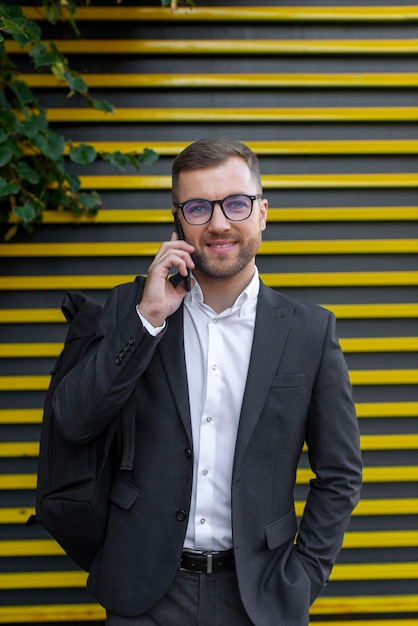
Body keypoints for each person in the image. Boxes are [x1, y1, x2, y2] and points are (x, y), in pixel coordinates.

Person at [53, 137, 362, 626]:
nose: (218, 223)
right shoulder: (131, 308)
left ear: (261, 213)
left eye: (235, 203)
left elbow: (340, 474)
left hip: (259, 597)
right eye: (198, 207)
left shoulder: (309, 332)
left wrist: (304, 577)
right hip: (144, 594)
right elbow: (73, 421)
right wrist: (148, 317)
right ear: (179, 221)